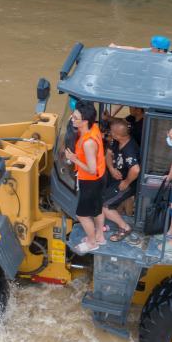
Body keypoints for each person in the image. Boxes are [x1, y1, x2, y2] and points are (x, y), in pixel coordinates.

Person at [64, 100, 106, 254]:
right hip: (100, 177)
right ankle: (100, 236)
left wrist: (74, 159)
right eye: (73, 116)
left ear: (85, 121)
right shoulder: (94, 127)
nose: (72, 119)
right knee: (97, 208)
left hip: (90, 181)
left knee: (81, 214)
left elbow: (91, 169)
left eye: (75, 118)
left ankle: (92, 241)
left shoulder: (88, 143)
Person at [102, 118, 141, 242]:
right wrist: (112, 168)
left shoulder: (129, 149)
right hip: (114, 180)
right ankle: (106, 224)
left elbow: (135, 170)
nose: (110, 133)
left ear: (118, 134)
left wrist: (126, 182)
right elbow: (108, 154)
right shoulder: (116, 141)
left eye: (112, 131)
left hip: (126, 184)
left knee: (105, 206)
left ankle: (125, 227)